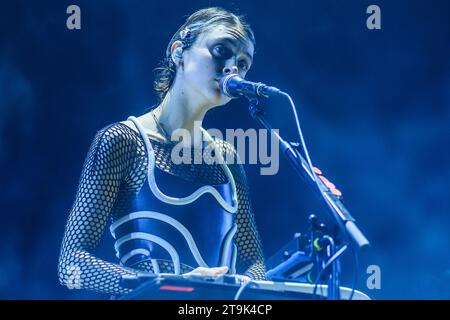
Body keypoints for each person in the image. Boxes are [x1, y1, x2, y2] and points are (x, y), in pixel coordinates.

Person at [58, 7, 267, 297]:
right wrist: (171, 286)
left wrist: (247, 288)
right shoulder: (122, 141)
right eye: (221, 50)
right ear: (178, 51)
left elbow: (253, 260)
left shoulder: (226, 158)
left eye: (243, 63)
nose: (233, 67)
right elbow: (71, 265)